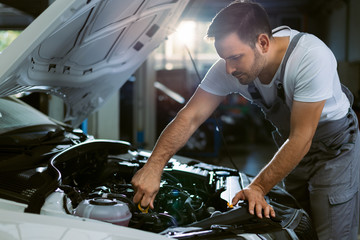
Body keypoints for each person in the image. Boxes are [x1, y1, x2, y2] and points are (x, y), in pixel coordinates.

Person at [131, 1, 360, 239]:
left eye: (235, 57)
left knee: (332, 232)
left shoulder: (310, 57)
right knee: (298, 225)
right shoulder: (233, 66)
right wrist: (154, 166)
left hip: (334, 148)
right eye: (224, 58)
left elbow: (302, 137)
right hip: (291, 146)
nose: (229, 69)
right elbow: (189, 116)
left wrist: (258, 187)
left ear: (262, 42)